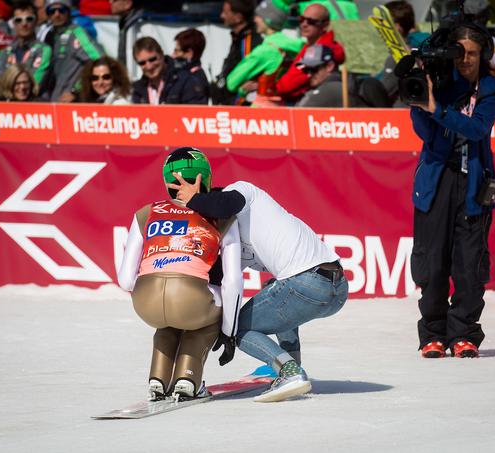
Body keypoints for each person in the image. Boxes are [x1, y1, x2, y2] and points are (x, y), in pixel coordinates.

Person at [169, 167, 349, 403]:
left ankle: (288, 371)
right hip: (336, 287)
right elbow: (216, 281)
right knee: (273, 287)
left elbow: (223, 204)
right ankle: (290, 363)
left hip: (307, 283)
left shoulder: (243, 192)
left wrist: (193, 198)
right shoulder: (237, 245)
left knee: (240, 328)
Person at [408, 24, 495, 359]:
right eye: (459, 52)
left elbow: (477, 129)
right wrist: (420, 101)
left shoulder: (490, 88)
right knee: (431, 264)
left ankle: (464, 333)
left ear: (484, 56)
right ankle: (432, 334)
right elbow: (427, 134)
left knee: (469, 265)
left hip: (474, 183)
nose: (465, 59)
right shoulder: (440, 83)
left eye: (473, 53)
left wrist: (437, 109)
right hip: (436, 182)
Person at [117, 148, 243, 400]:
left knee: (168, 323)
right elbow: (232, 282)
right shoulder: (222, 218)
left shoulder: (145, 212)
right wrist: (229, 333)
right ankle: (188, 378)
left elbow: (126, 279)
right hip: (190, 298)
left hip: (145, 301)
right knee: (205, 318)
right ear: (205, 178)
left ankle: (158, 378)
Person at [226, 0, 303, 106]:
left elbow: (232, 82)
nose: (255, 19)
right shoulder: (297, 46)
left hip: (263, 112)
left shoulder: (265, 50)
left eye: (259, 16)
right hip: (286, 108)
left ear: (268, 21)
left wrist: (242, 89)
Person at [275, 2, 345, 104]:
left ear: (325, 25)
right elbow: (298, 69)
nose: (304, 24)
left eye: (311, 21)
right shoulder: (312, 45)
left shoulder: (319, 52)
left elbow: (286, 86)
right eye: (301, 19)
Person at [44, 0, 103, 102]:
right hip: (54, 100)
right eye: (52, 11)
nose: (57, 14)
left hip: (73, 102)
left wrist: (75, 90)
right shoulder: (49, 36)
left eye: (61, 10)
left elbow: (99, 60)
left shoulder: (77, 33)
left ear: (68, 12)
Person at [210, 0, 263, 105]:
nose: (222, 16)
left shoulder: (249, 43)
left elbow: (247, 83)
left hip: (238, 112)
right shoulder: (238, 39)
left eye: (225, 12)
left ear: (238, 17)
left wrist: (232, 108)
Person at [0, 1, 51, 89]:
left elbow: (36, 84)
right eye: (18, 20)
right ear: (13, 24)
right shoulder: (6, 51)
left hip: (33, 101)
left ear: (36, 21)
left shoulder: (44, 50)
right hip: (7, 100)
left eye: (29, 19)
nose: (24, 24)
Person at [166, 28, 209, 105]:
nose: (173, 55)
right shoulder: (178, 74)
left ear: (189, 53)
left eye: (177, 51)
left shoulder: (194, 80)